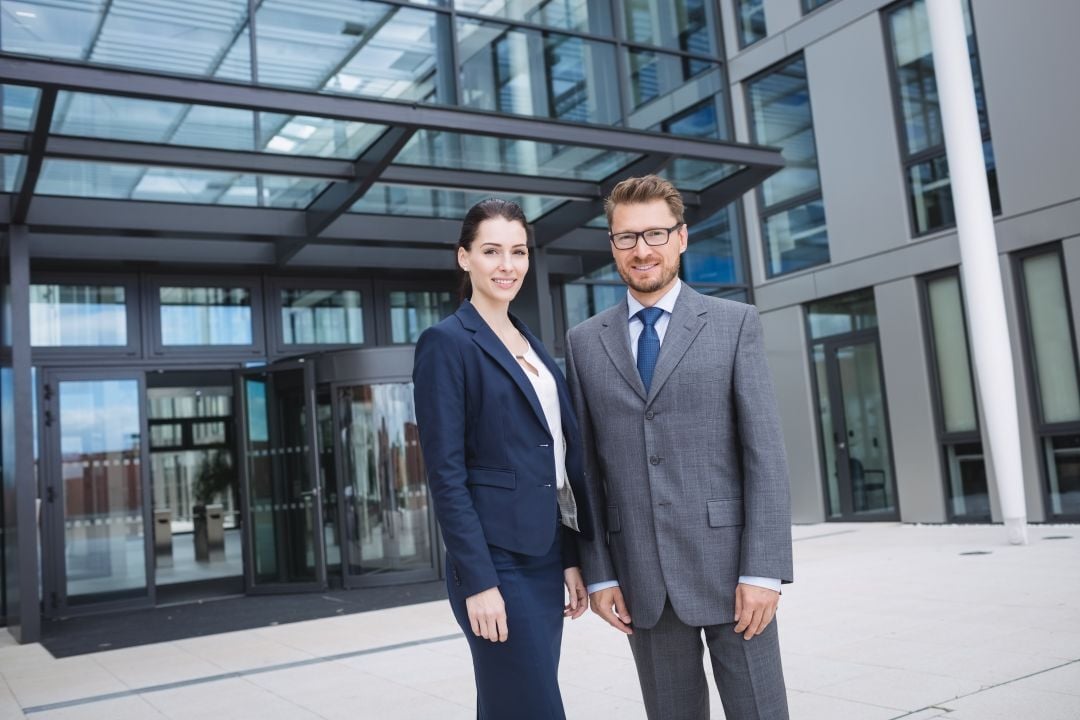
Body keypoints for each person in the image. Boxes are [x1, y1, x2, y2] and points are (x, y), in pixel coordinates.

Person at [565, 175, 794, 719]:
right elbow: (587, 473)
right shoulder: (583, 343)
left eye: (655, 234)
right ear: (612, 245)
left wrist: (763, 571)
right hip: (641, 579)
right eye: (627, 237)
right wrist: (599, 573)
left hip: (733, 572)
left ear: (682, 238)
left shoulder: (734, 324)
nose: (642, 250)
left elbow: (765, 455)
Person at [412, 198, 591, 720]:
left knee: (510, 706)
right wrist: (480, 581)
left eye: (518, 251)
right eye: (491, 251)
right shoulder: (446, 343)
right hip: (496, 563)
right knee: (534, 707)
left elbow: (551, 464)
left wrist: (570, 557)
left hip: (542, 557)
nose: (507, 265)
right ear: (464, 258)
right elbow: (446, 474)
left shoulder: (533, 345)